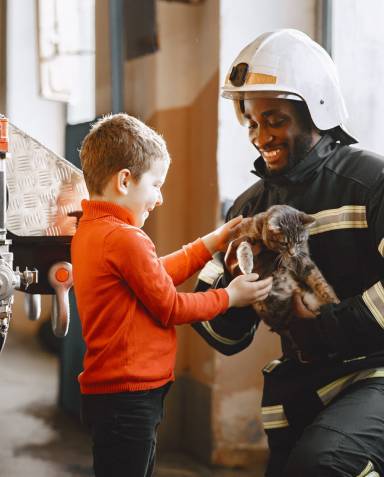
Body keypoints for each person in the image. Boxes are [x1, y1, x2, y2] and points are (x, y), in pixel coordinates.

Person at [193, 29, 384, 477]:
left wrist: (329, 326)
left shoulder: (371, 181)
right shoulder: (247, 209)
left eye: (275, 119)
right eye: (253, 123)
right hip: (300, 390)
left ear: (315, 110)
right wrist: (237, 286)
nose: (261, 136)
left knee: (324, 465)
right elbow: (223, 334)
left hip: (376, 376)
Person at [71, 113, 273, 477]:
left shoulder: (93, 229)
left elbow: (155, 276)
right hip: (129, 396)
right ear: (124, 180)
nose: (160, 198)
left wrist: (211, 241)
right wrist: (230, 296)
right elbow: (169, 305)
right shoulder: (125, 238)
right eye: (155, 184)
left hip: (114, 393)